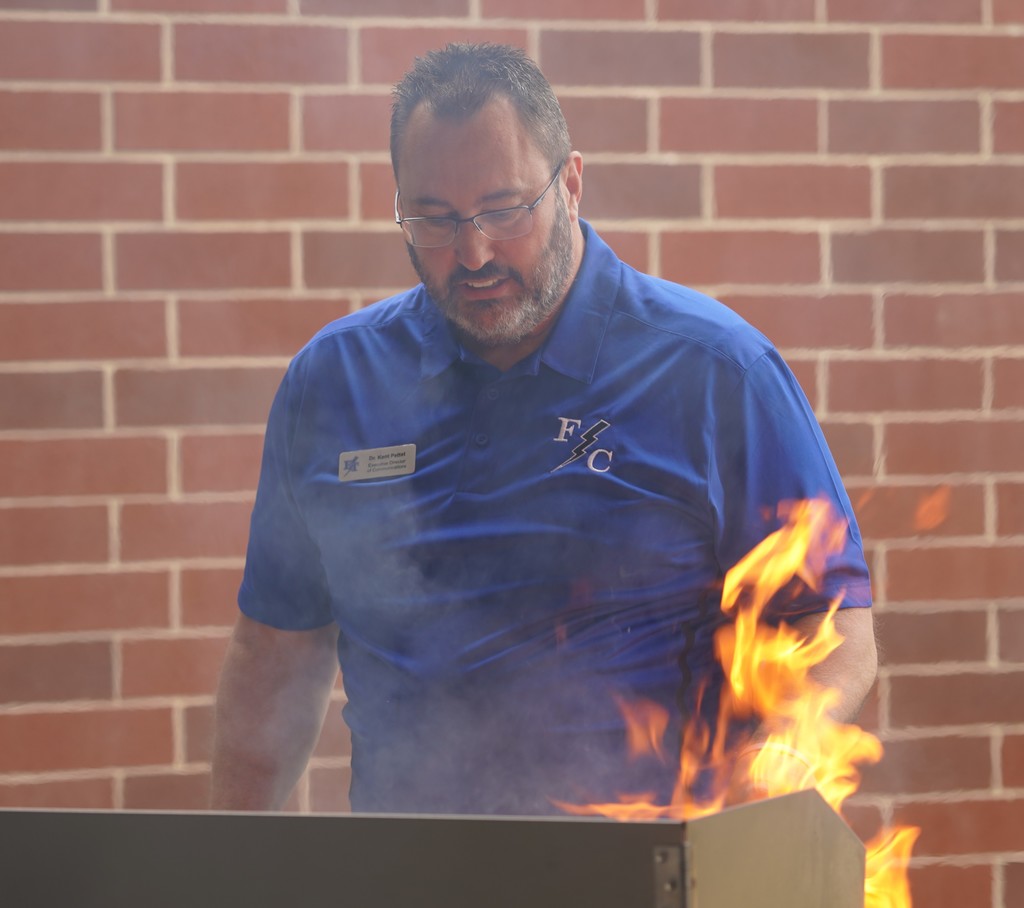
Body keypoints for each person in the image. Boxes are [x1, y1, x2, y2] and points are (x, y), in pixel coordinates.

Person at [210, 43, 877, 816]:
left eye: (503, 209)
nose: (474, 252)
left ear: (571, 184)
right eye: (434, 219)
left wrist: (761, 795)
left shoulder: (714, 370)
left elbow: (833, 635)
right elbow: (273, 665)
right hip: (404, 874)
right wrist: (241, 869)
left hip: (648, 866)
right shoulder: (334, 383)